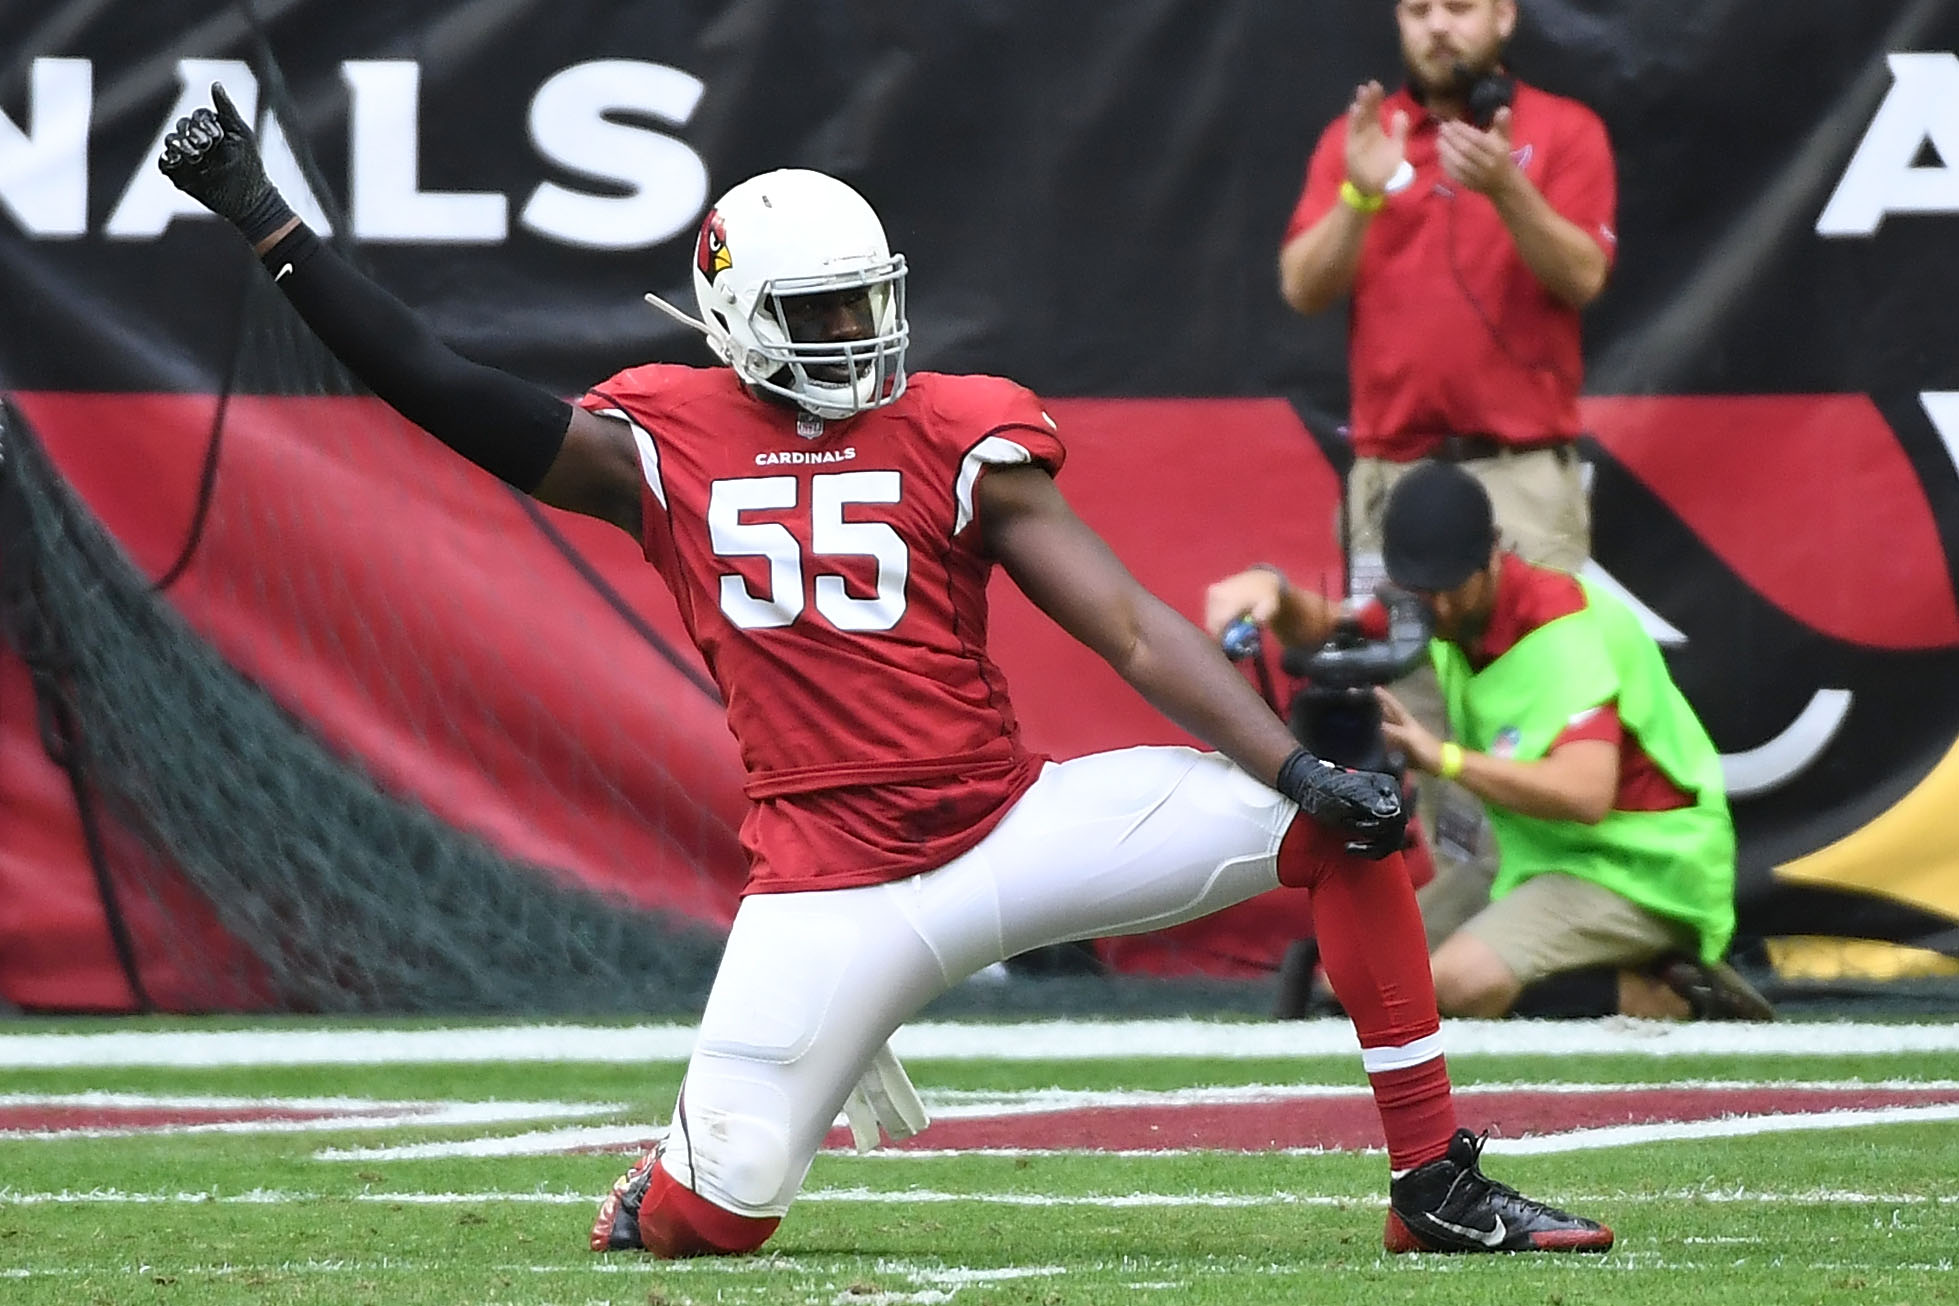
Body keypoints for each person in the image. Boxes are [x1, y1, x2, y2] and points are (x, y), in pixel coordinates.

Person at [158, 87, 1612, 1257]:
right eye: (820, 313)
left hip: (1005, 828)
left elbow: (1123, 623)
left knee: (1343, 825)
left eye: (868, 304)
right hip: (825, 889)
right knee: (704, 1225)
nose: (856, 339)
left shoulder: (952, 427)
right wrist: (273, 227)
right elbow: (436, 379)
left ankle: (1430, 1180)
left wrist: (1297, 766)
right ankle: (662, 1170)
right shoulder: (654, 443)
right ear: (731, 316)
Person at [1276, 0, 1620, 963]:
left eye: (1459, 7)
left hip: (1512, 476)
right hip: (1394, 479)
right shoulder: (1365, 138)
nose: (1437, 27)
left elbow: (1584, 275)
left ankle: (1570, 925)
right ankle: (1468, 923)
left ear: (1503, 16)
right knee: (1412, 708)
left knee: (1546, 700)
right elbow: (1303, 287)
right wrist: (1357, 195)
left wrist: (1506, 192)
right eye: (1418, 9)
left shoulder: (1561, 131)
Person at [1207, 462, 1771, 1022]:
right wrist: (1274, 592)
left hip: (1643, 872)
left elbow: (1587, 793)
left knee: (1450, 986)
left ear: (1492, 555)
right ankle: (1621, 971)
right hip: (1534, 864)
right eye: (1423, 592)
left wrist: (1443, 758)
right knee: (1353, 976)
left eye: (1452, 588)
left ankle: (1671, 997)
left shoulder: (1560, 628)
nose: (1441, 608)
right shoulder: (1433, 598)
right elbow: (1332, 631)